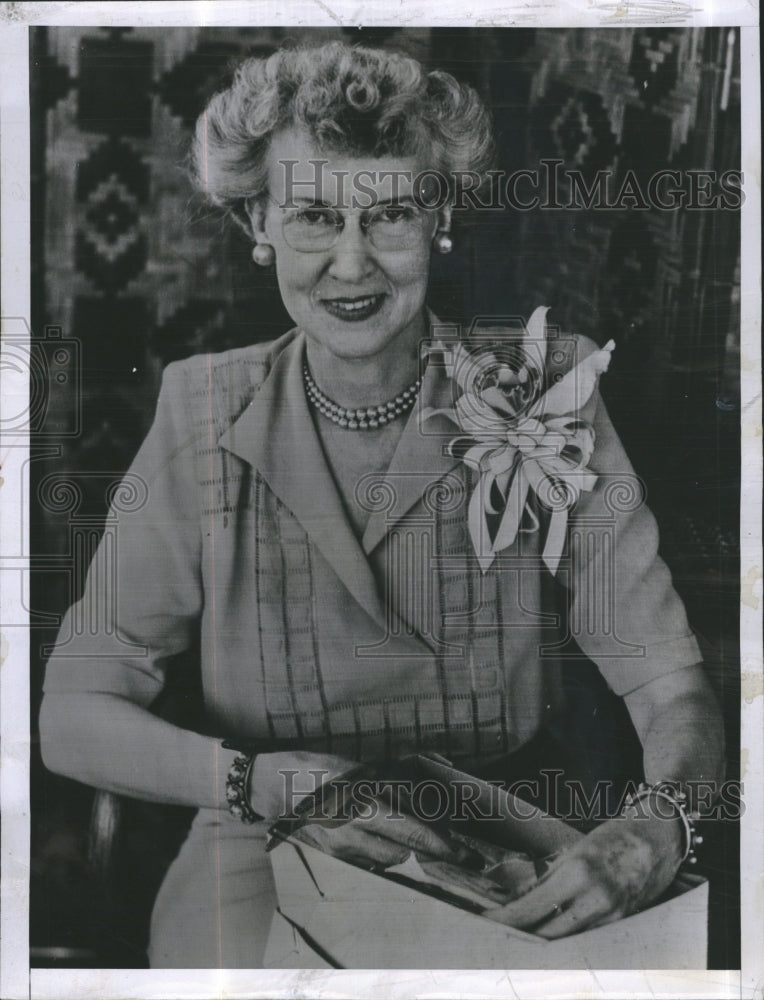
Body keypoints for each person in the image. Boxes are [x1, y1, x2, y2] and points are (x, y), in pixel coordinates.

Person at [39, 40, 724, 968]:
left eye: (390, 213)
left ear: (438, 214)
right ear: (258, 219)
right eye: (315, 217)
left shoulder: (543, 388)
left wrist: (659, 828)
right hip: (264, 842)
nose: (351, 264)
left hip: (498, 845)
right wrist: (260, 786)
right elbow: (72, 716)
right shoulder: (202, 408)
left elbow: (669, 684)